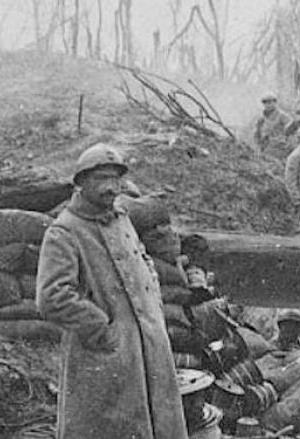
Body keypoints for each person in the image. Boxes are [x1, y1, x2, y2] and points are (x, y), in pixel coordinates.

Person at [36, 143, 188, 439]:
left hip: (147, 348)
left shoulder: (121, 218)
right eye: (100, 179)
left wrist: (154, 307)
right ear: (81, 183)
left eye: (115, 179)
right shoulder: (65, 231)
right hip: (105, 356)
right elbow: (52, 296)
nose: (110, 187)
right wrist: (103, 330)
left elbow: (143, 260)